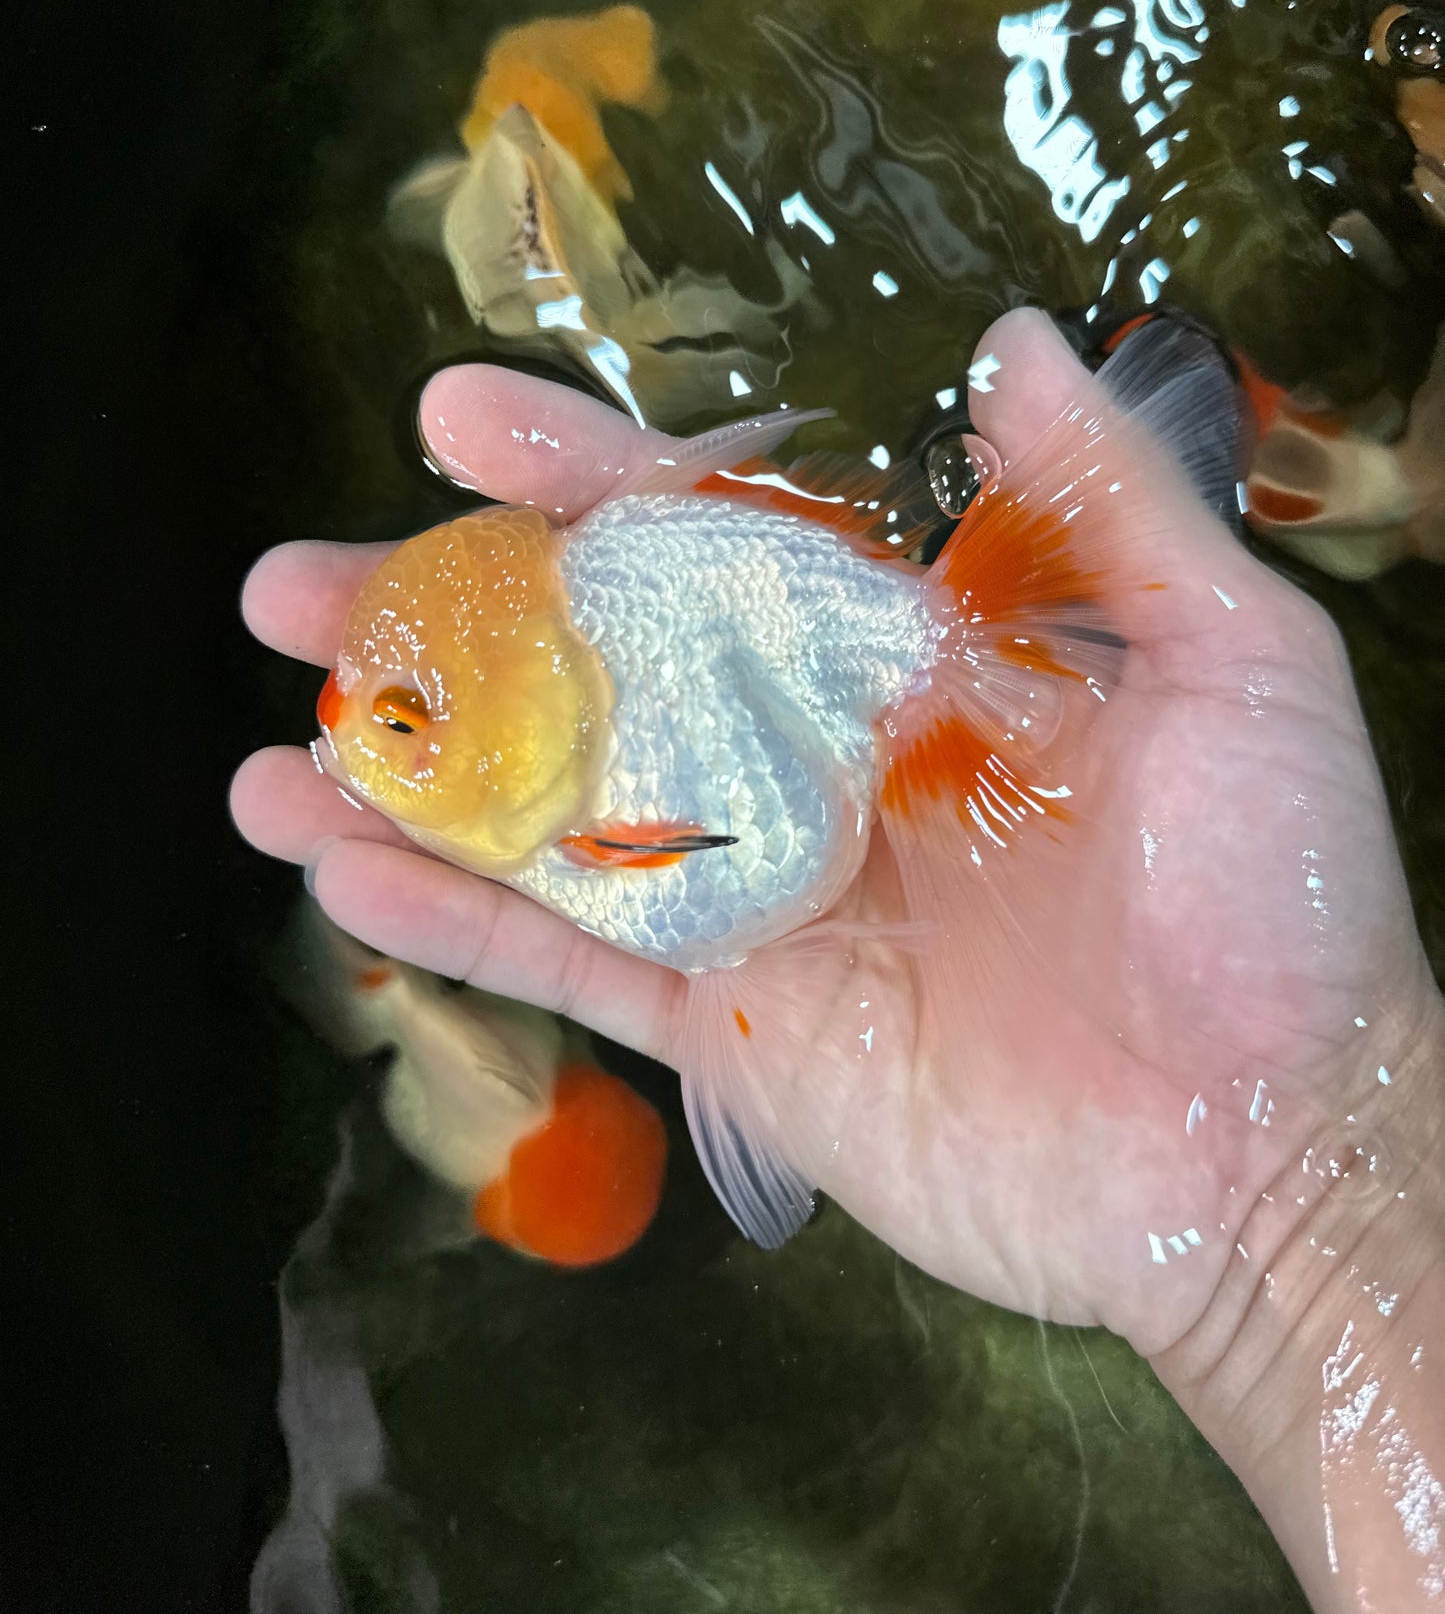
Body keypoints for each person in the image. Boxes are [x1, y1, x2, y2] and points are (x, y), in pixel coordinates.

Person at [232, 308, 1444, 1611]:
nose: (367, 735)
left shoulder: (611, 749)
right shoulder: (576, 764)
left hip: (849, 726)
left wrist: (1300, 1189)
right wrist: (1306, 1203)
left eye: (406, 719)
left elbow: (701, 869)